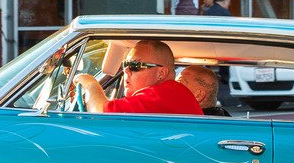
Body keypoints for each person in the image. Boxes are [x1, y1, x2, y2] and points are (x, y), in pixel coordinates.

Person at [74, 39, 202, 115]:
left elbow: (99, 114)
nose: (126, 70)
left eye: (135, 66)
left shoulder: (161, 95)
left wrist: (90, 84)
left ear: (161, 73)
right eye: (125, 64)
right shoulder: (170, 93)